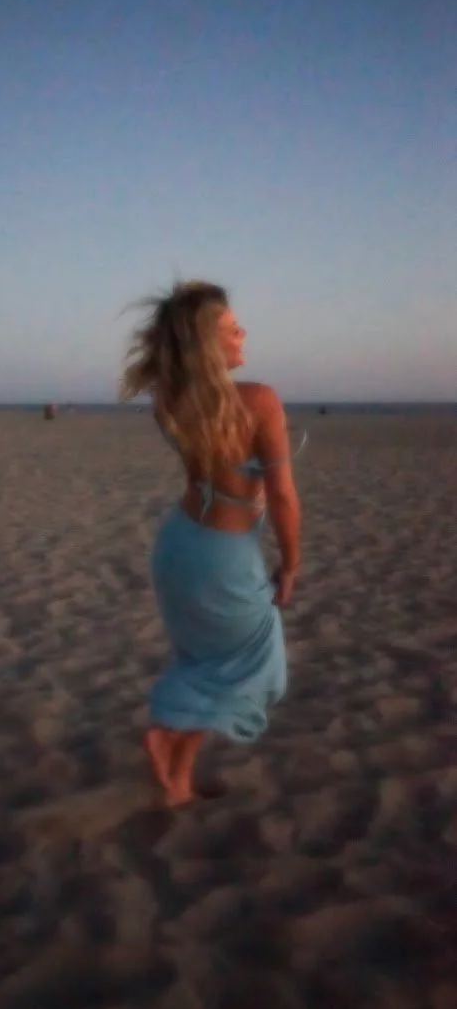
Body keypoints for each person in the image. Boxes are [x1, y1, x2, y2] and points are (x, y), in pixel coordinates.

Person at [119, 280, 304, 806]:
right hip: (224, 554)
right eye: (230, 328)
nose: (243, 331)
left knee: (206, 659)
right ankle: (167, 730)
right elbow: (284, 497)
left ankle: (177, 782)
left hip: (180, 545)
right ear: (206, 342)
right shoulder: (260, 400)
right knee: (255, 662)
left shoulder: (170, 400)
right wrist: (290, 565)